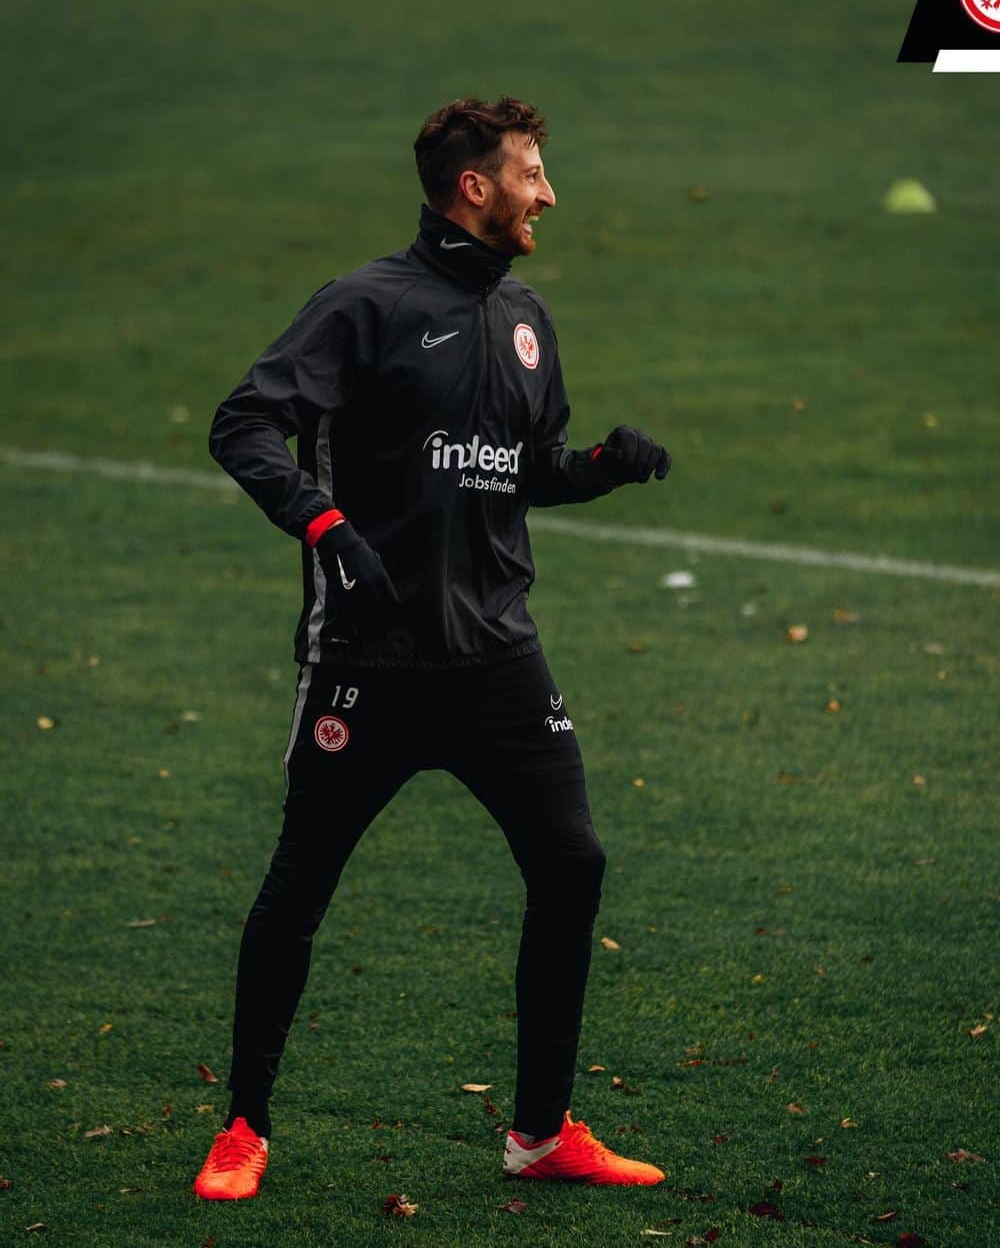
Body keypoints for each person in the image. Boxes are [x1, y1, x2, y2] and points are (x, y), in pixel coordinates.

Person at [194, 97, 672, 1200]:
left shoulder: (528, 318)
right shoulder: (364, 305)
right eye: (532, 173)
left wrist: (600, 460)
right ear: (476, 186)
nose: (547, 192)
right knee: (299, 882)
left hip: (500, 658)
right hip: (371, 655)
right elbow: (243, 424)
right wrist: (326, 529)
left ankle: (542, 1132)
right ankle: (243, 1125)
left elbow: (524, 467)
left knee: (573, 862)